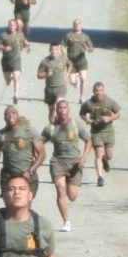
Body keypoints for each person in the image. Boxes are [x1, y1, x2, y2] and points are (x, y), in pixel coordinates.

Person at [41, 98, 92, 232]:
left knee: (72, 196)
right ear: (56, 110)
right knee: (60, 189)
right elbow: (39, 143)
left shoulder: (76, 125)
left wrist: (83, 158)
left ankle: (72, 185)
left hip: (74, 163)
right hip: (57, 162)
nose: (62, 110)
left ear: (68, 110)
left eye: (64, 108)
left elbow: (88, 140)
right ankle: (66, 222)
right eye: (60, 108)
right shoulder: (50, 128)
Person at [0, 105, 46, 197]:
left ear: (18, 116)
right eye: (7, 114)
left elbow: (42, 154)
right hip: (8, 176)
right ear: (4, 118)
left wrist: (30, 171)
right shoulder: (0, 135)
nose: (10, 115)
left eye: (13, 113)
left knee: (25, 205)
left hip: (27, 174)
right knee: (10, 206)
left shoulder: (29, 132)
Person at [79, 81, 121, 187]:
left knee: (109, 155)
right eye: (97, 91)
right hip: (96, 132)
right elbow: (81, 113)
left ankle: (105, 160)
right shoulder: (89, 103)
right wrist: (87, 119)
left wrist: (110, 118)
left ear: (104, 90)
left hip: (108, 131)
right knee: (98, 153)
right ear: (93, 92)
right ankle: (100, 177)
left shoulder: (109, 102)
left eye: (101, 90)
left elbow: (118, 113)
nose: (99, 93)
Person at [0, 19, 30, 104]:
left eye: (13, 25)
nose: (12, 27)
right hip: (6, 60)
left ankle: (16, 95)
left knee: (16, 78)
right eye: (10, 25)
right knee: (7, 78)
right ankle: (8, 79)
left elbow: (24, 41)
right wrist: (4, 48)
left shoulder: (20, 35)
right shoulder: (3, 35)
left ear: (16, 26)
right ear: (8, 26)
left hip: (16, 60)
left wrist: (27, 45)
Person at [36, 42, 71, 123]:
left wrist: (67, 74)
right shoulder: (45, 61)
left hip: (60, 87)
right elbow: (38, 75)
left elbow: (70, 64)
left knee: (58, 107)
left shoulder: (63, 58)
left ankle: (62, 124)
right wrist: (46, 74)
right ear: (49, 50)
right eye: (52, 49)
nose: (54, 51)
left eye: (55, 49)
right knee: (52, 111)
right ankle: (52, 126)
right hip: (49, 89)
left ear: (59, 50)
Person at [62, 19, 95, 103]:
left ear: (81, 25)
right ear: (73, 25)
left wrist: (88, 49)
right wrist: (64, 55)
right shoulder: (69, 35)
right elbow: (62, 45)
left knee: (83, 79)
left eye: (79, 24)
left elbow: (91, 48)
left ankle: (82, 97)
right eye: (75, 24)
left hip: (81, 61)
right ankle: (75, 81)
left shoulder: (85, 36)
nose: (77, 25)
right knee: (72, 81)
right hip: (71, 62)